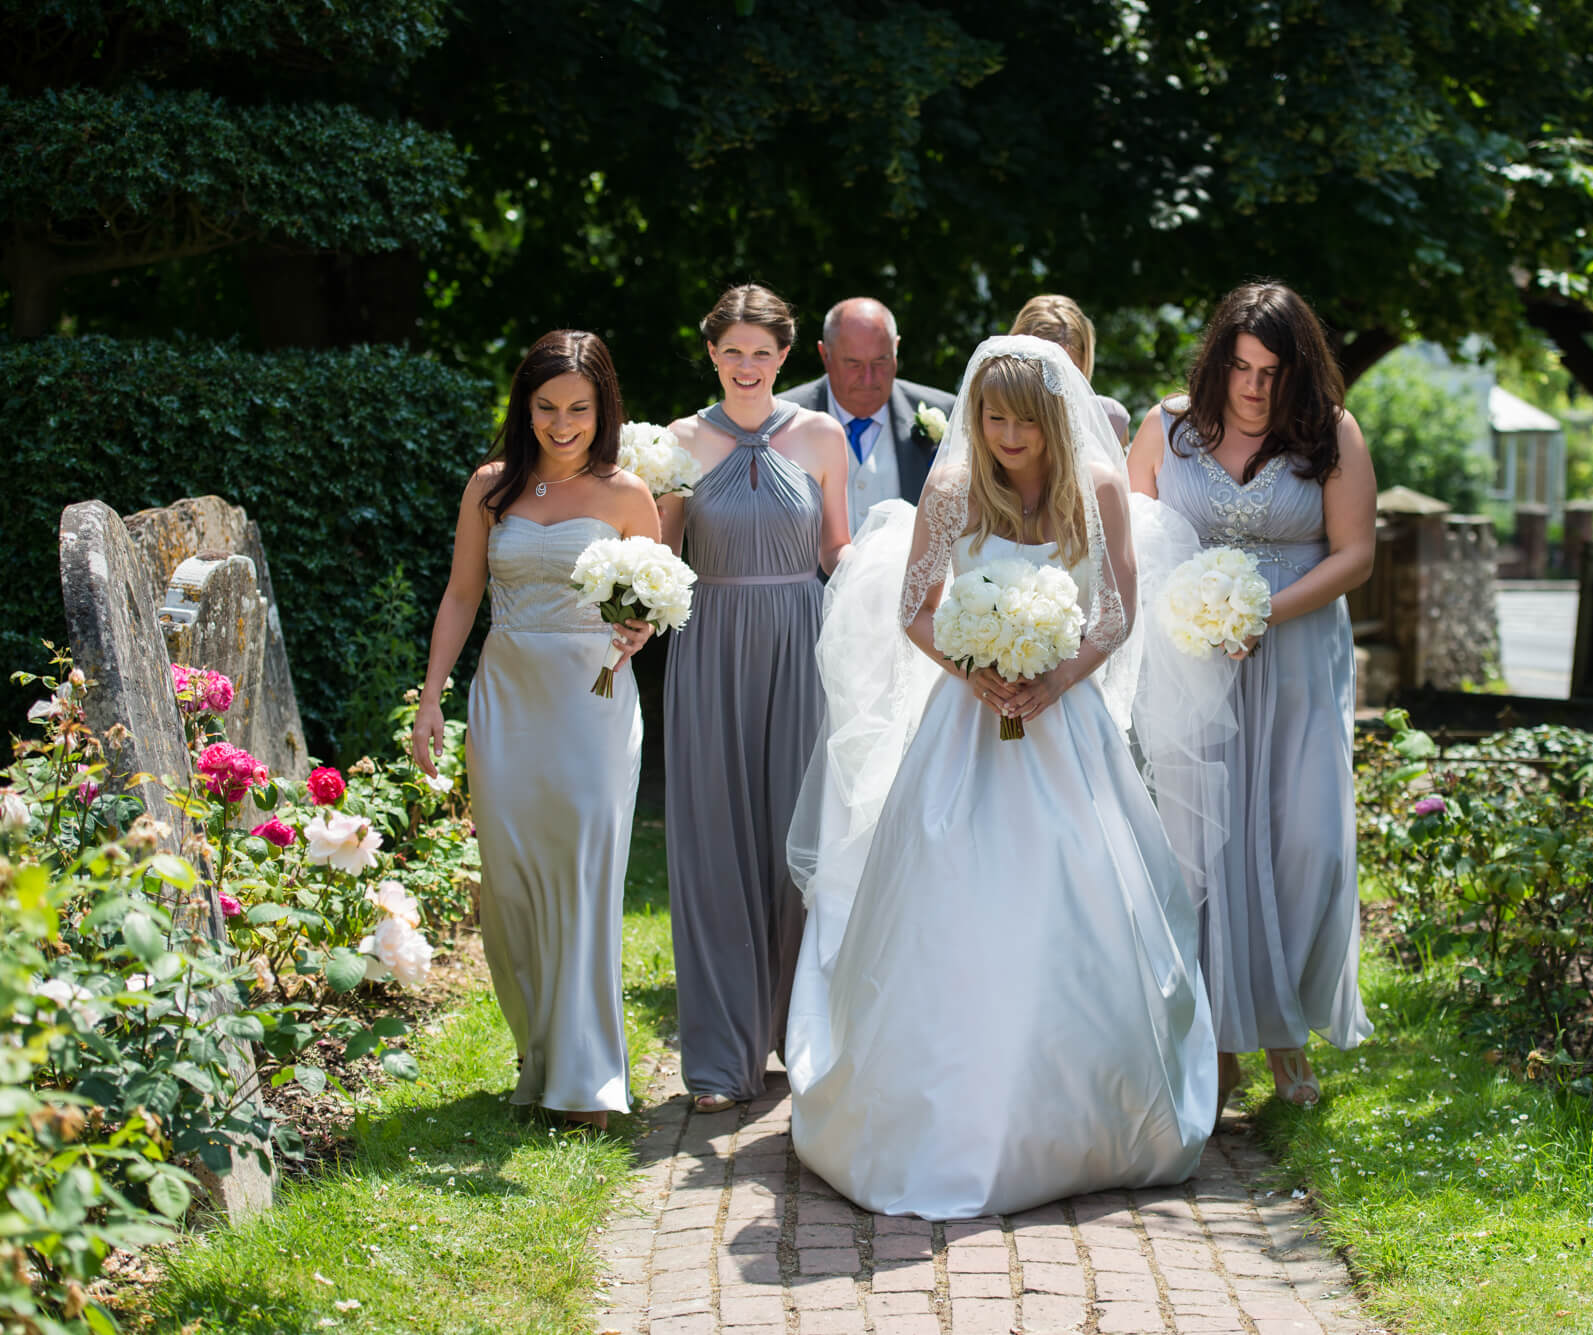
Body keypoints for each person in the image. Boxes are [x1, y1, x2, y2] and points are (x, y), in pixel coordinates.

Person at [784, 335, 1216, 1219]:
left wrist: (1055, 679)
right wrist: (976, 672)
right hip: (966, 724)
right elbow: (916, 609)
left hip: (1067, 723)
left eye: (1025, 422)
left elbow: (1116, 612)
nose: (1008, 437)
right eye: (992, 419)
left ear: (1056, 419)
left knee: (1080, 903)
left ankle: (1089, 1120)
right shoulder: (952, 489)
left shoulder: (1096, 490)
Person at [1127, 281, 1379, 1113]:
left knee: (1306, 843)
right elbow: (1128, 539)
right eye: (1241, 367)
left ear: (1297, 369)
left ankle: (1286, 1027)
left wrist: (1266, 610)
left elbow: (1354, 554)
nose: (1254, 387)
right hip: (1194, 666)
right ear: (1217, 362)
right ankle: (1222, 1042)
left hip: (1298, 659)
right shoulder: (1167, 429)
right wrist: (1182, 612)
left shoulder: (1332, 432)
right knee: (1207, 847)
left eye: (1272, 371)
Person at [411, 330, 661, 1130]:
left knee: (584, 872)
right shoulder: (490, 487)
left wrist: (639, 628)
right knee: (512, 885)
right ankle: (541, 1054)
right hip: (507, 698)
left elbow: (652, 599)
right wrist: (431, 698)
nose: (561, 424)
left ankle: (588, 1079)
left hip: (593, 701)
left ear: (602, 408)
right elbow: (461, 595)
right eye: (547, 407)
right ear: (525, 406)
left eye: (578, 409)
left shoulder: (628, 494)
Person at [658, 284, 852, 1114]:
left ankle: (796, 1036)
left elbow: (837, 549)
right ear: (712, 353)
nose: (746, 366)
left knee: (796, 845)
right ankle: (719, 1057)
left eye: (761, 352)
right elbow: (660, 556)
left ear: (785, 355)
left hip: (801, 646)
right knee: (714, 843)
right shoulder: (677, 442)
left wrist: (894, 587)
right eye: (732, 351)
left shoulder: (822, 436)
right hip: (710, 647)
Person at [779, 297, 956, 531]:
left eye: (880, 361)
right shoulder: (781, 420)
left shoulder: (948, 412)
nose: (868, 378)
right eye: (853, 363)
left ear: (896, 349)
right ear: (825, 355)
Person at [1008, 293, 1131, 447]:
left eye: (1065, 371)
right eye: (1039, 370)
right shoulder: (996, 421)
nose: (1051, 385)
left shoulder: (1110, 419)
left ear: (1083, 362)